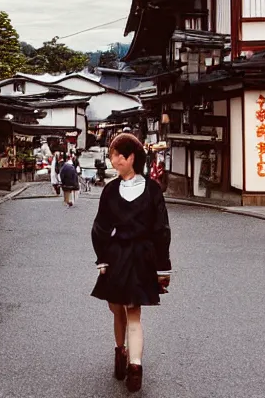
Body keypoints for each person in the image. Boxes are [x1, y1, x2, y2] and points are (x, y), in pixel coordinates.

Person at [91, 133, 172, 393]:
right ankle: (121, 352)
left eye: (117, 155)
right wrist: (101, 258)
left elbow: (161, 229)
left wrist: (163, 267)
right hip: (118, 257)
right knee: (118, 309)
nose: (112, 160)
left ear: (131, 157)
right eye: (112, 155)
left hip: (138, 257)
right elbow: (100, 227)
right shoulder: (112, 190)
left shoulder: (151, 188)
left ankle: (134, 366)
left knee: (132, 310)